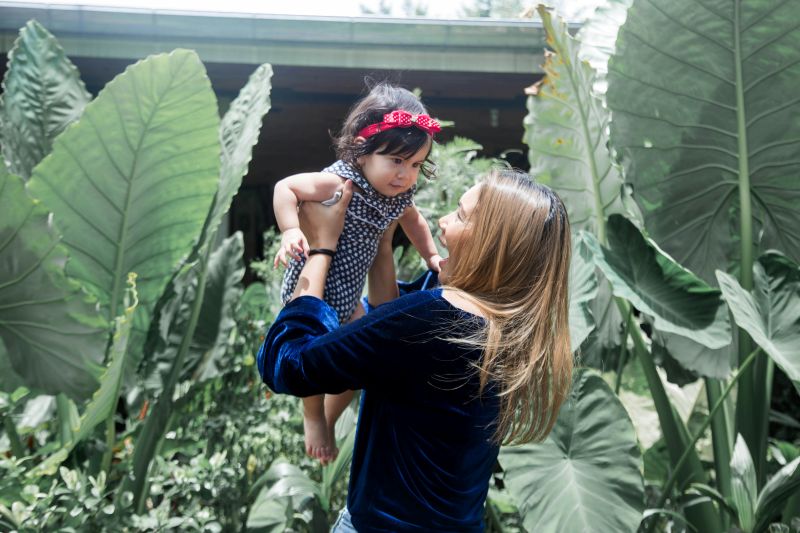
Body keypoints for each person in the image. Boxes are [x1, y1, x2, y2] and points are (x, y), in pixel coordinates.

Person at [258, 169, 574, 531]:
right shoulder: (511, 329)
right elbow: (385, 324)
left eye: (460, 215)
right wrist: (381, 241)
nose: (442, 221)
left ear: (491, 244)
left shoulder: (432, 319)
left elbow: (289, 363)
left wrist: (321, 247)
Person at [272, 82, 443, 463]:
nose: (405, 174)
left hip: (349, 296)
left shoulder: (397, 195)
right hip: (312, 289)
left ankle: (330, 418)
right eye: (396, 161)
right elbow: (286, 188)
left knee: (360, 361)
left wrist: (432, 257)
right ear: (363, 151)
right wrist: (290, 230)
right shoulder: (339, 182)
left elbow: (415, 222)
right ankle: (313, 416)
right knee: (312, 357)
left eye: (415, 165)